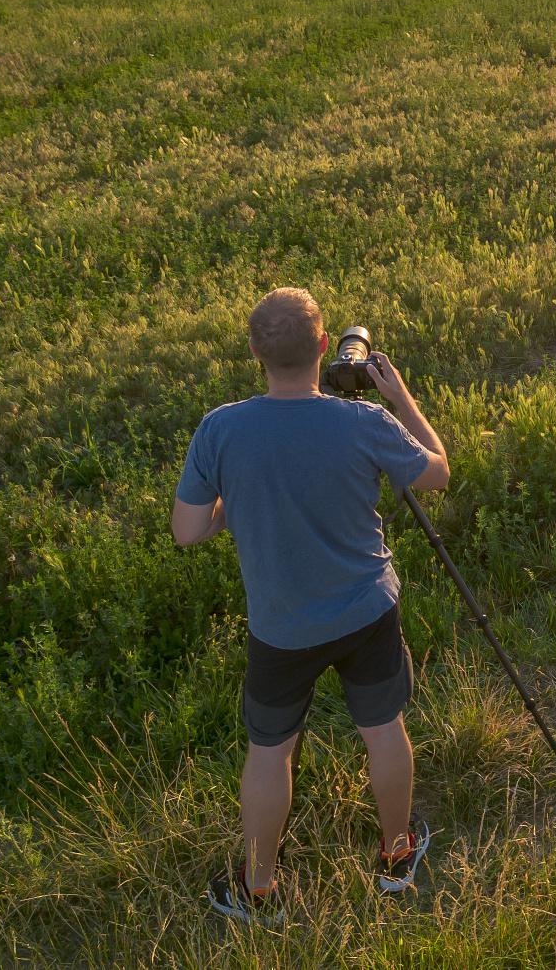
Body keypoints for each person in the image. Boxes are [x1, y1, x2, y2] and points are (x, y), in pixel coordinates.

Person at [171, 286, 450, 923]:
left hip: (281, 627)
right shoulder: (364, 422)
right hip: (366, 611)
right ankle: (396, 856)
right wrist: (399, 396)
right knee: (383, 729)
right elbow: (438, 471)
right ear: (326, 346)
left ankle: (259, 890)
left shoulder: (221, 428)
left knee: (270, 751)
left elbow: (188, 531)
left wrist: (236, 499)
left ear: (255, 353)